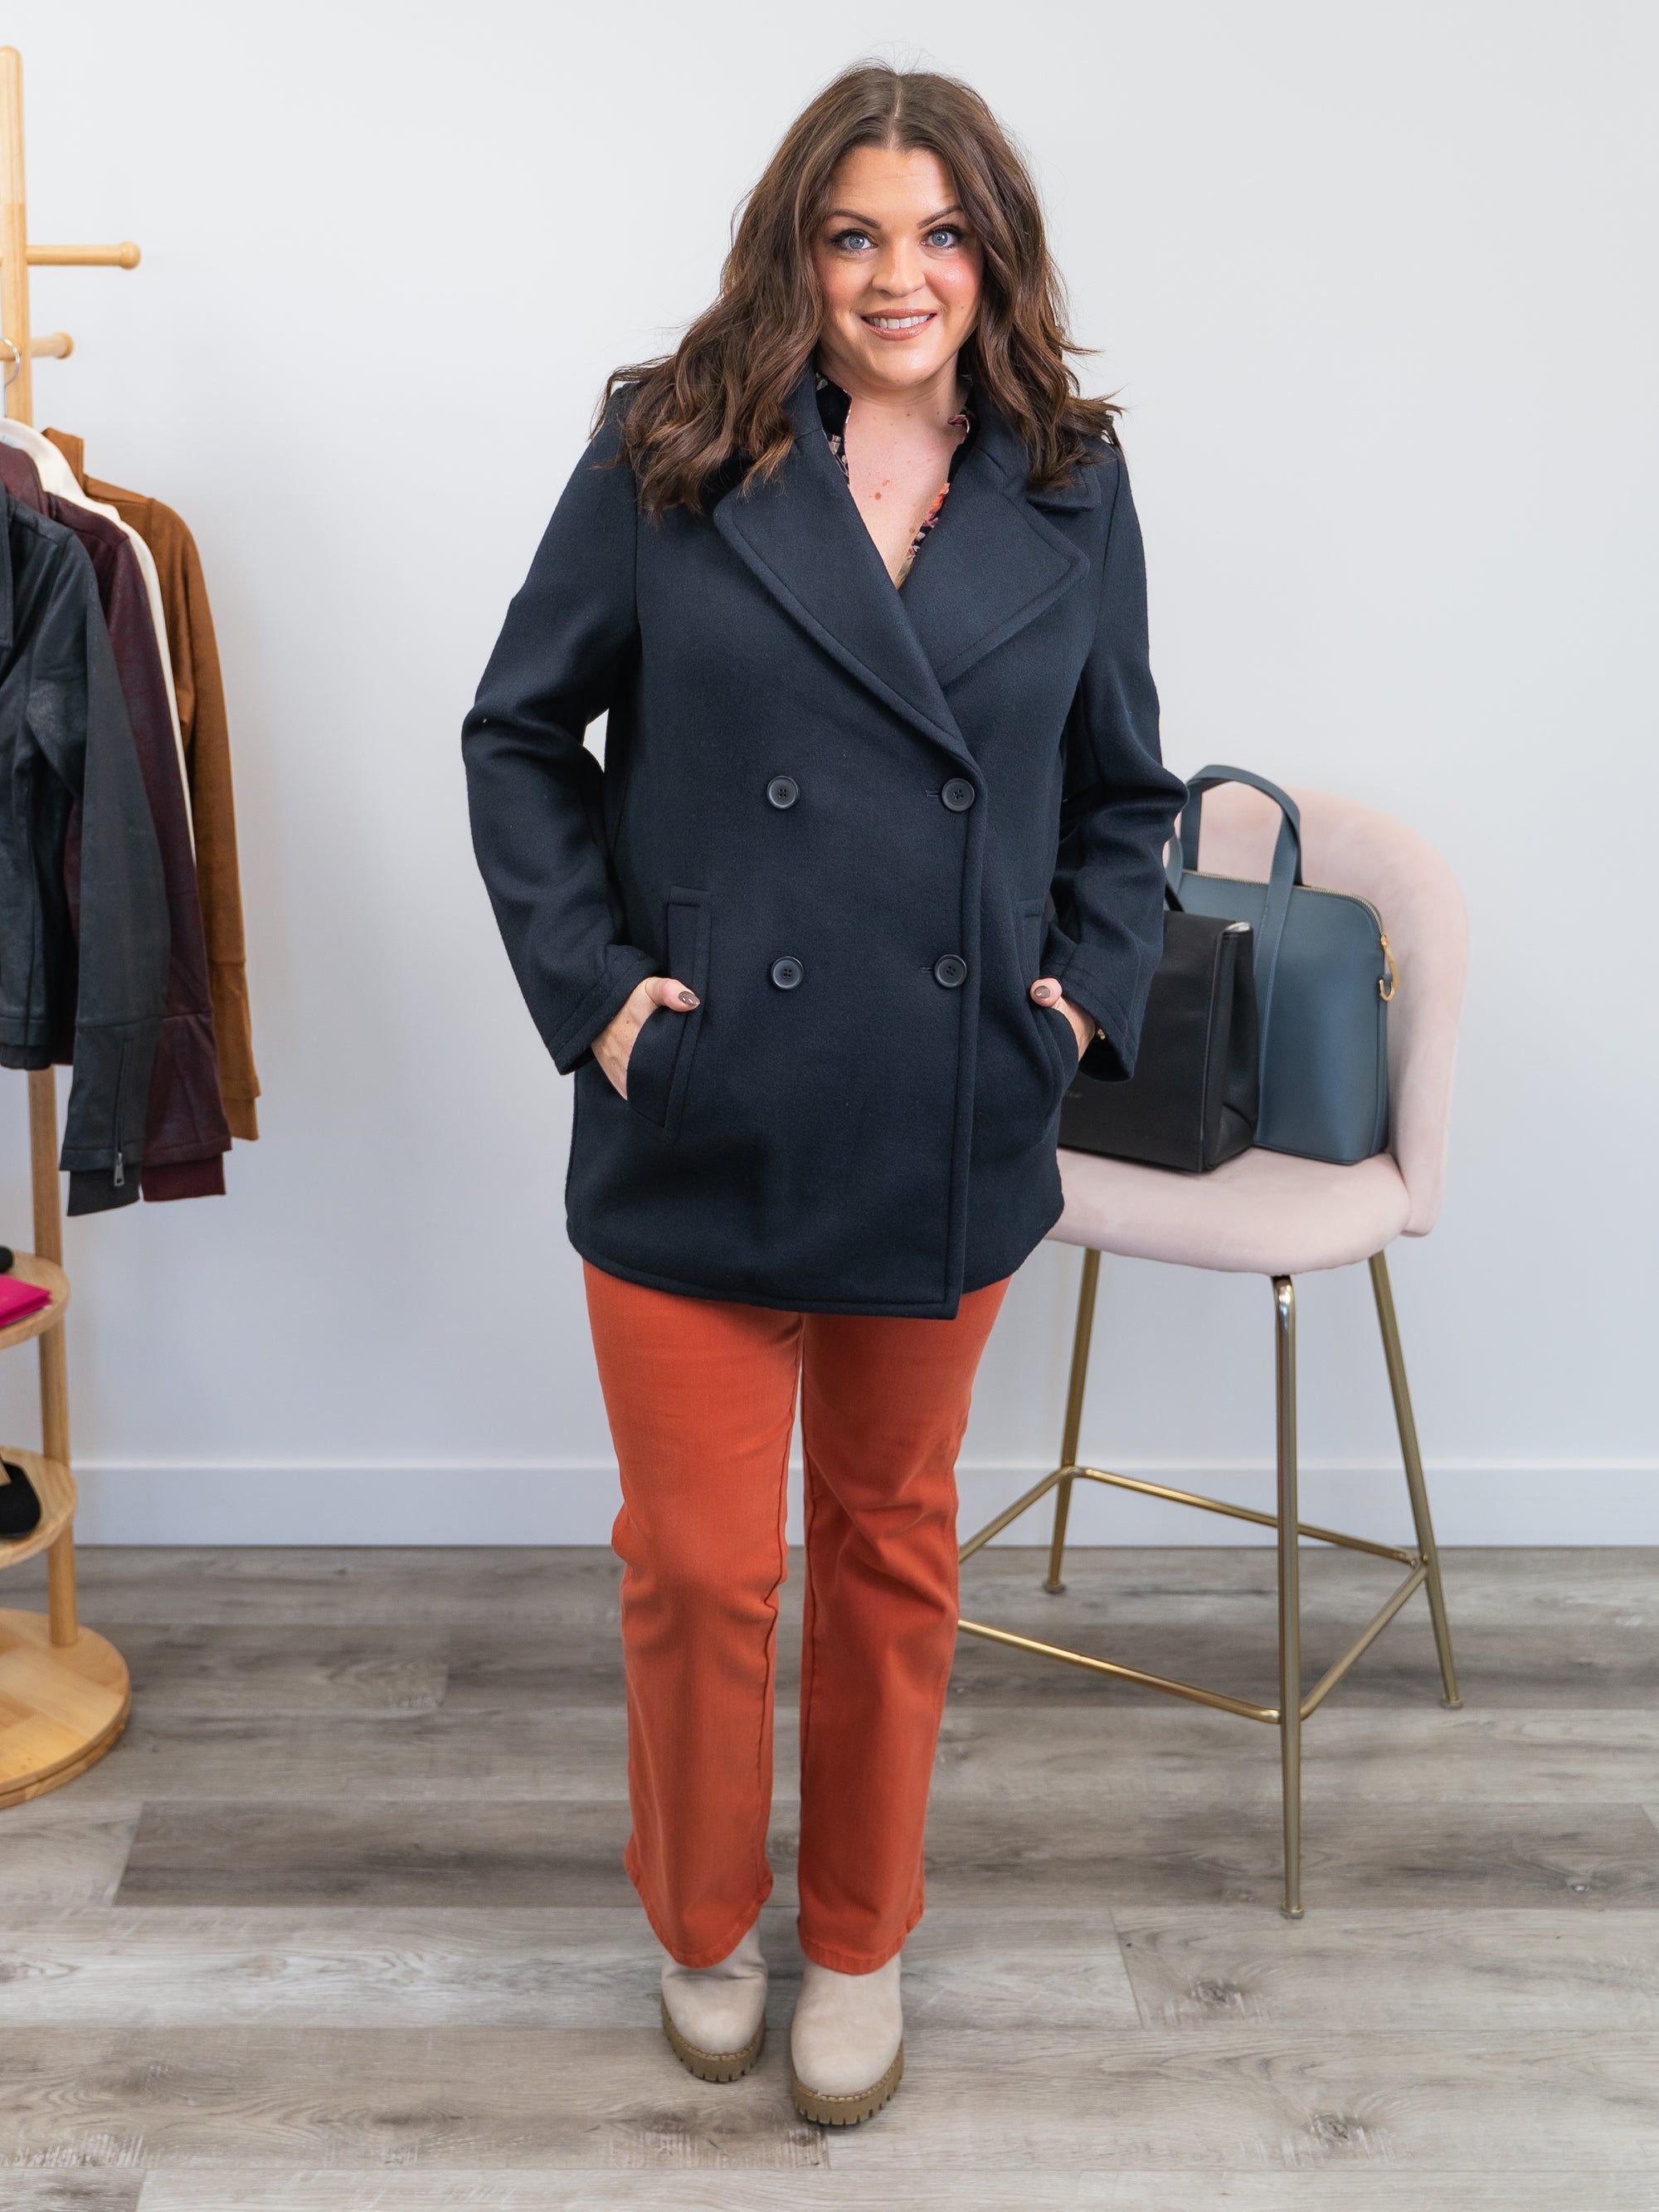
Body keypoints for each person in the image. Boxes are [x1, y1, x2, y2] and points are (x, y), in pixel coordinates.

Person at [462, 61, 1185, 2126]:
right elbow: (520, 733)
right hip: (698, 1099)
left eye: (939, 234)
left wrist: (1068, 1007)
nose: (896, 276)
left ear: (993, 257)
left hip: (946, 1107)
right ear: (798, 247)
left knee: (888, 1549)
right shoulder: (669, 446)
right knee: (700, 1564)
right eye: (854, 232)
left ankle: (858, 1940)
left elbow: (1126, 790)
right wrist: (600, 998)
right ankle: (701, 1916)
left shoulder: (1070, 481)